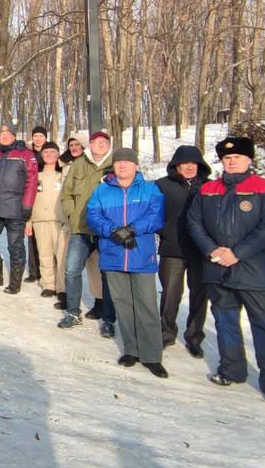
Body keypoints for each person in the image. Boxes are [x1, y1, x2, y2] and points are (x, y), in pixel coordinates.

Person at [187, 137, 265, 405]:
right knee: (225, 321)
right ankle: (231, 369)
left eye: (237, 158)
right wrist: (213, 250)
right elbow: (194, 223)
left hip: (254, 271)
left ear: (249, 160)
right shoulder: (208, 190)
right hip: (217, 268)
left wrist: (237, 253)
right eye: (227, 158)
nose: (231, 162)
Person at [86, 148, 167, 378]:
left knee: (147, 305)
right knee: (123, 304)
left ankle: (152, 355)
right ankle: (131, 349)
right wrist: (112, 231)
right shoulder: (102, 190)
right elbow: (93, 215)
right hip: (113, 254)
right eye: (118, 163)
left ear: (136, 166)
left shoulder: (150, 189)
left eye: (127, 163)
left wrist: (131, 229)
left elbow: (156, 215)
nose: (122, 166)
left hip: (141, 254)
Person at [156, 145, 212, 357]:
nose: (189, 167)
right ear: (176, 165)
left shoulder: (210, 186)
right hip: (173, 248)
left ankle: (194, 336)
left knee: (199, 295)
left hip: (202, 251)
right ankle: (166, 332)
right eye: (184, 163)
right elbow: (153, 213)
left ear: (199, 165)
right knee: (170, 294)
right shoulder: (162, 185)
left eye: (193, 163)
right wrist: (165, 231)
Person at [58, 130, 115, 336]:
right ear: (89, 145)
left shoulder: (116, 164)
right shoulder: (80, 164)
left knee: (108, 273)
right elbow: (67, 194)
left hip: (107, 231)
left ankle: (109, 318)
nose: (100, 145)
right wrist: (73, 217)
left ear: (109, 144)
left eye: (104, 142)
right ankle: (73, 312)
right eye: (96, 142)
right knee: (72, 270)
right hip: (80, 228)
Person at [0, 123, 38, 293]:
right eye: (1, 133)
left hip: (15, 209)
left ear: (14, 135)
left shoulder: (25, 154)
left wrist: (27, 205)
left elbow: (32, 181)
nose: (4, 136)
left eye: (7, 133)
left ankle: (15, 282)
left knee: (15, 246)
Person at [27, 142, 67, 300]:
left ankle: (62, 287)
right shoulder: (35, 175)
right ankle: (49, 284)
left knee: (62, 255)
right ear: (41, 155)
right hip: (39, 219)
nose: (49, 155)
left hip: (60, 220)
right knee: (44, 254)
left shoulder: (64, 173)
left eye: (53, 152)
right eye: (46, 152)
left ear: (58, 154)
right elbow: (28, 199)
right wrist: (28, 221)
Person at [24, 126, 50, 283]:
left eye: (41, 136)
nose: (38, 138)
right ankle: (34, 271)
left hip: (47, 196)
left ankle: (47, 271)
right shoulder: (28, 153)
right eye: (35, 136)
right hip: (31, 195)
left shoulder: (51, 152)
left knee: (47, 237)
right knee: (31, 233)